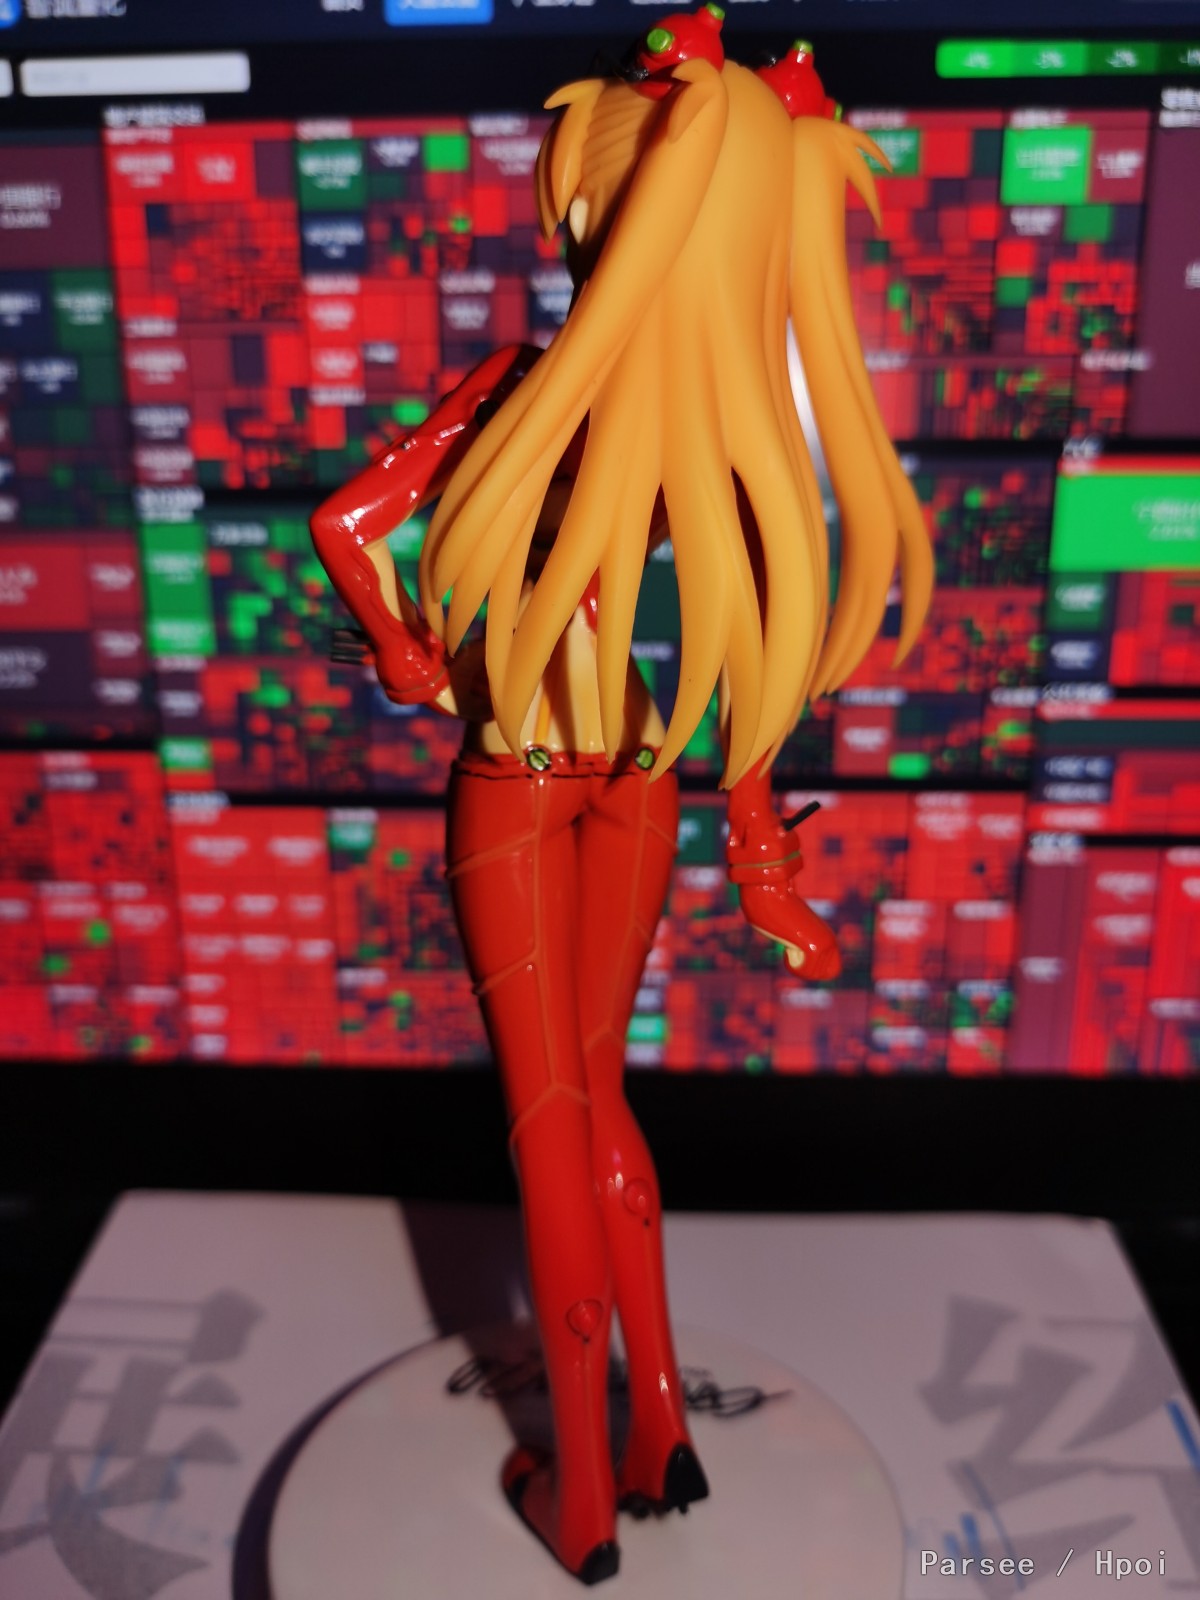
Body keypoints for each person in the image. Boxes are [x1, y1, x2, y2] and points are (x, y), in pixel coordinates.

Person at [310, 7, 932, 1583]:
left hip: (520, 772)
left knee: (551, 1127)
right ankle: (660, 1418)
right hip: (640, 771)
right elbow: (740, 644)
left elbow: (343, 523)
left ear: (590, 198)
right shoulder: (708, 427)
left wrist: (407, 651)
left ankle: (580, 1498)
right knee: (605, 1094)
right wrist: (760, 853)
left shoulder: (517, 391)